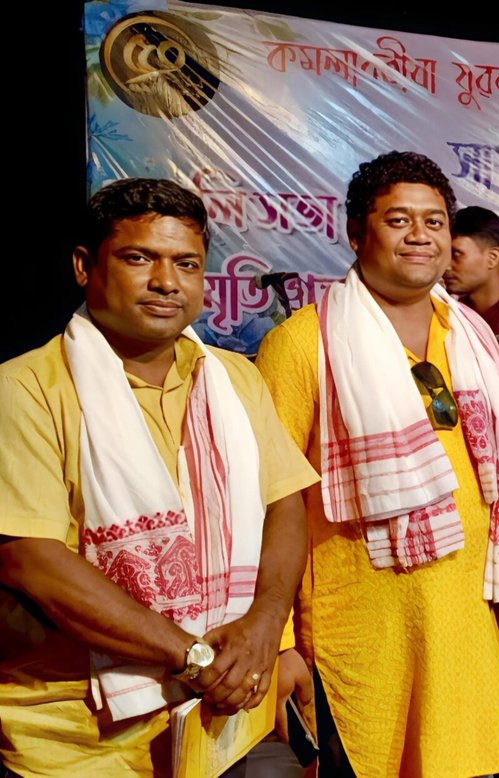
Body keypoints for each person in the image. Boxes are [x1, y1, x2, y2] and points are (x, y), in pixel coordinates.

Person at [0, 178, 317, 775]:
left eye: (186, 263)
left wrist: (265, 627)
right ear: (83, 266)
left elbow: (284, 504)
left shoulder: (233, 378)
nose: (167, 282)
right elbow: (32, 562)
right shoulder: (26, 388)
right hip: (81, 737)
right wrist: (195, 657)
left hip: (223, 719)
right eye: (139, 258)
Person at [254, 151, 499, 777]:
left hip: (465, 628)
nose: (421, 235)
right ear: (355, 233)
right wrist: (281, 643)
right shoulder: (303, 344)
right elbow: (267, 502)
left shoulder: (471, 334)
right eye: (399, 220)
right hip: (362, 638)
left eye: (435, 221)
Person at [443, 205, 499, 334]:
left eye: (457, 254)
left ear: (492, 258)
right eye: (444, 254)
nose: (445, 266)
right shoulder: (452, 313)